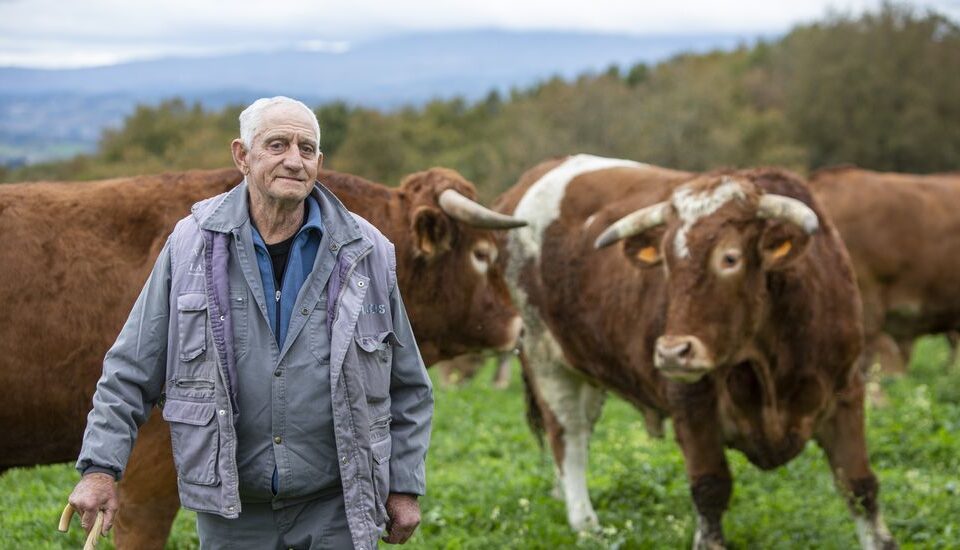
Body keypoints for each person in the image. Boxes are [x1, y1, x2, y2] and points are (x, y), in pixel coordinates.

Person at [68, 96, 434, 549]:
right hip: (233, 511)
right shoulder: (191, 244)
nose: (293, 161)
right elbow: (130, 368)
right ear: (242, 155)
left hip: (336, 507)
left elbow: (410, 386)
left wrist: (403, 485)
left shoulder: (367, 251)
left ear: (319, 161)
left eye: (306, 149)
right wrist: (101, 469)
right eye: (277, 145)